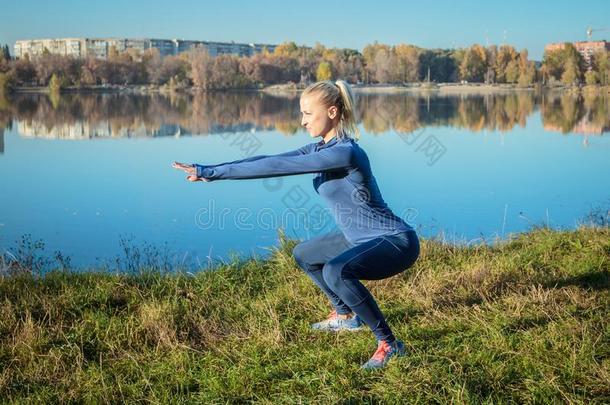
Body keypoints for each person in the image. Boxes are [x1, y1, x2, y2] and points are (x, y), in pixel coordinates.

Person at [172, 80, 420, 370]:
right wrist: (209, 170)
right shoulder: (320, 148)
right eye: (301, 114)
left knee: (336, 269)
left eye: (307, 114)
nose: (302, 121)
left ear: (331, 112)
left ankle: (389, 344)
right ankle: (344, 316)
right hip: (359, 238)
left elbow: (276, 168)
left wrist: (212, 173)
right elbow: (271, 159)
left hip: (394, 240)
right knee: (305, 254)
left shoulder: (346, 153)